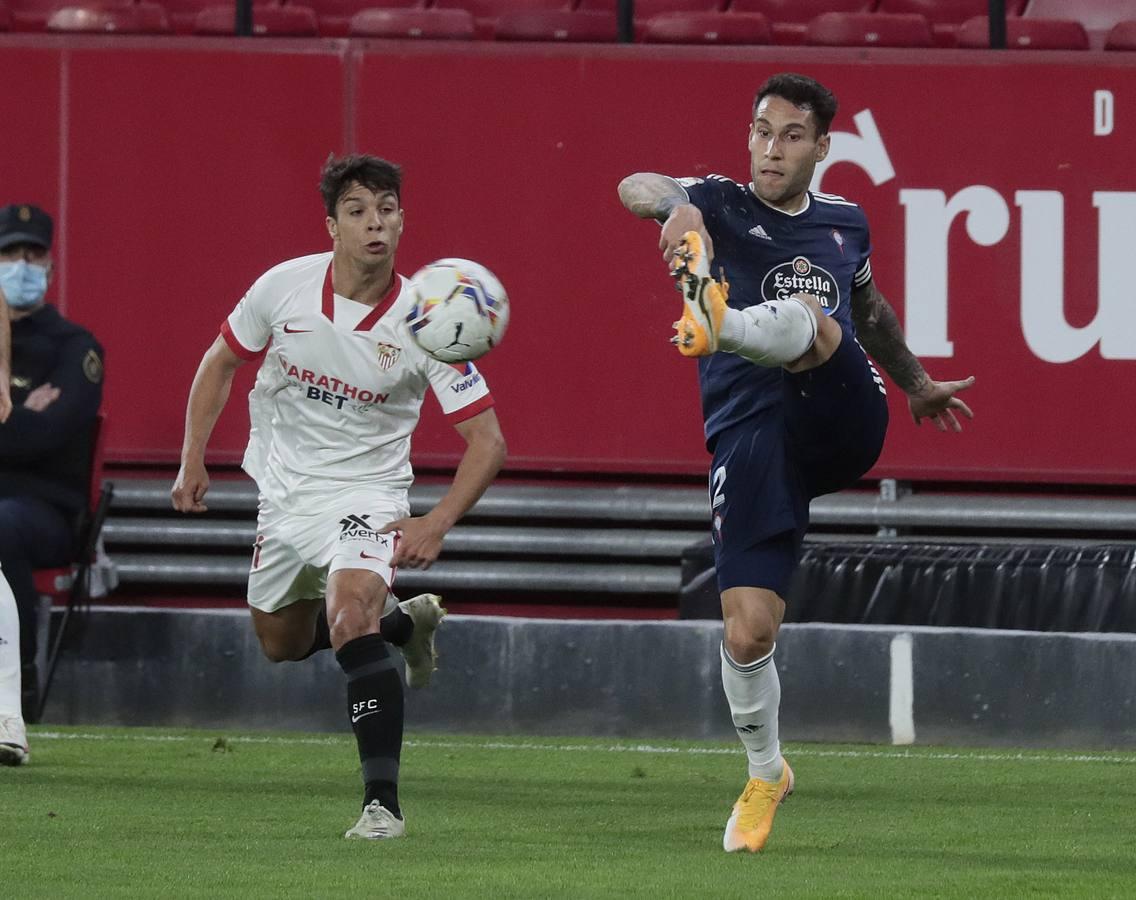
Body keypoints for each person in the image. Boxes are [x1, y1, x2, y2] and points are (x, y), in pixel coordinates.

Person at [618, 73, 974, 853]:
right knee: (748, 633)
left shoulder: (846, 224)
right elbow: (636, 184)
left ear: (821, 148)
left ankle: (721, 319)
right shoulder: (714, 199)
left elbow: (869, 313)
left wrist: (916, 384)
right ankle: (766, 771)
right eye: (759, 130)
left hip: (842, 415)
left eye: (788, 135)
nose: (769, 148)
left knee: (814, 318)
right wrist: (672, 209)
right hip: (752, 431)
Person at [171, 154, 507, 840]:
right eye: (357, 210)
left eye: (386, 208)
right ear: (332, 225)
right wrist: (191, 458)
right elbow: (221, 363)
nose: (374, 222)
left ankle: (381, 806)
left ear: (403, 219)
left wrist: (436, 521)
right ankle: (403, 628)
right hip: (286, 492)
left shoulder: (430, 319)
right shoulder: (283, 288)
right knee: (279, 642)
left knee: (350, 611)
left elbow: (489, 442)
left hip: (367, 492)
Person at [0, 203, 104, 725]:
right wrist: (20, 414)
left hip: (47, 512)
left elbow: (49, 434)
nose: (21, 264)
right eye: (10, 253)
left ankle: (12, 690)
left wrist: (11, 421)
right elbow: (26, 430)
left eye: (32, 253)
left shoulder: (75, 348)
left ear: (50, 266)